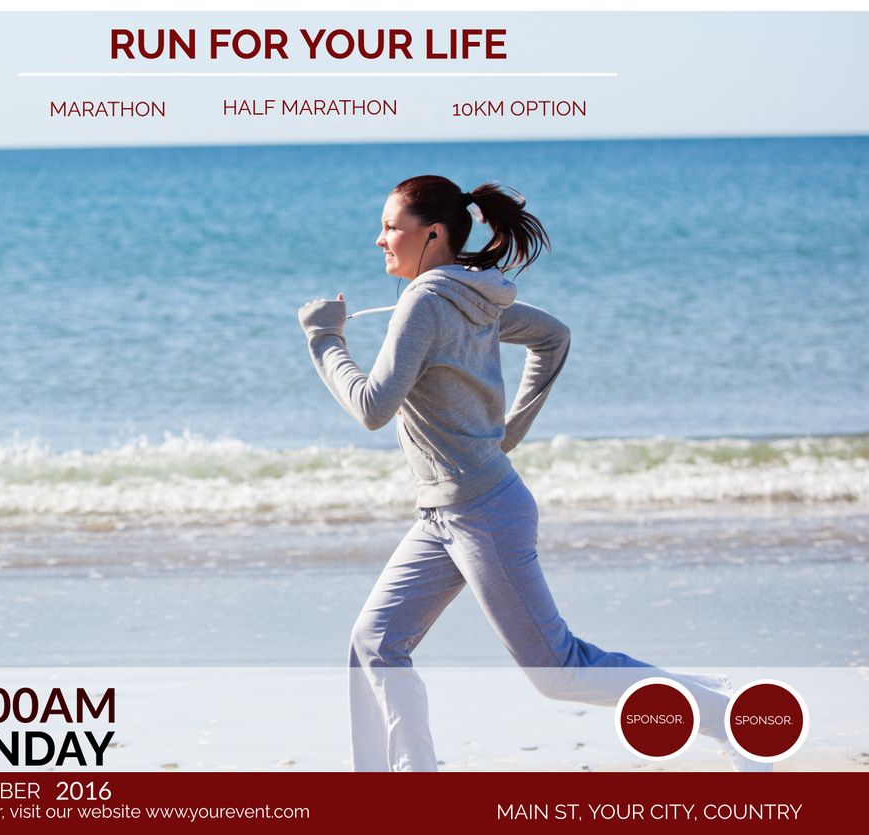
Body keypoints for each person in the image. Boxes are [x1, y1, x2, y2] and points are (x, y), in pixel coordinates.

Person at [297, 174, 767, 773]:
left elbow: (371, 407)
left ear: (433, 234)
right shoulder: (470, 295)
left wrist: (325, 339)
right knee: (374, 644)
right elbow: (553, 336)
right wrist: (507, 431)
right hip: (446, 514)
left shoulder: (424, 302)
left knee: (559, 670)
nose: (379, 239)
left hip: (484, 514)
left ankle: (725, 714)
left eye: (392, 227)